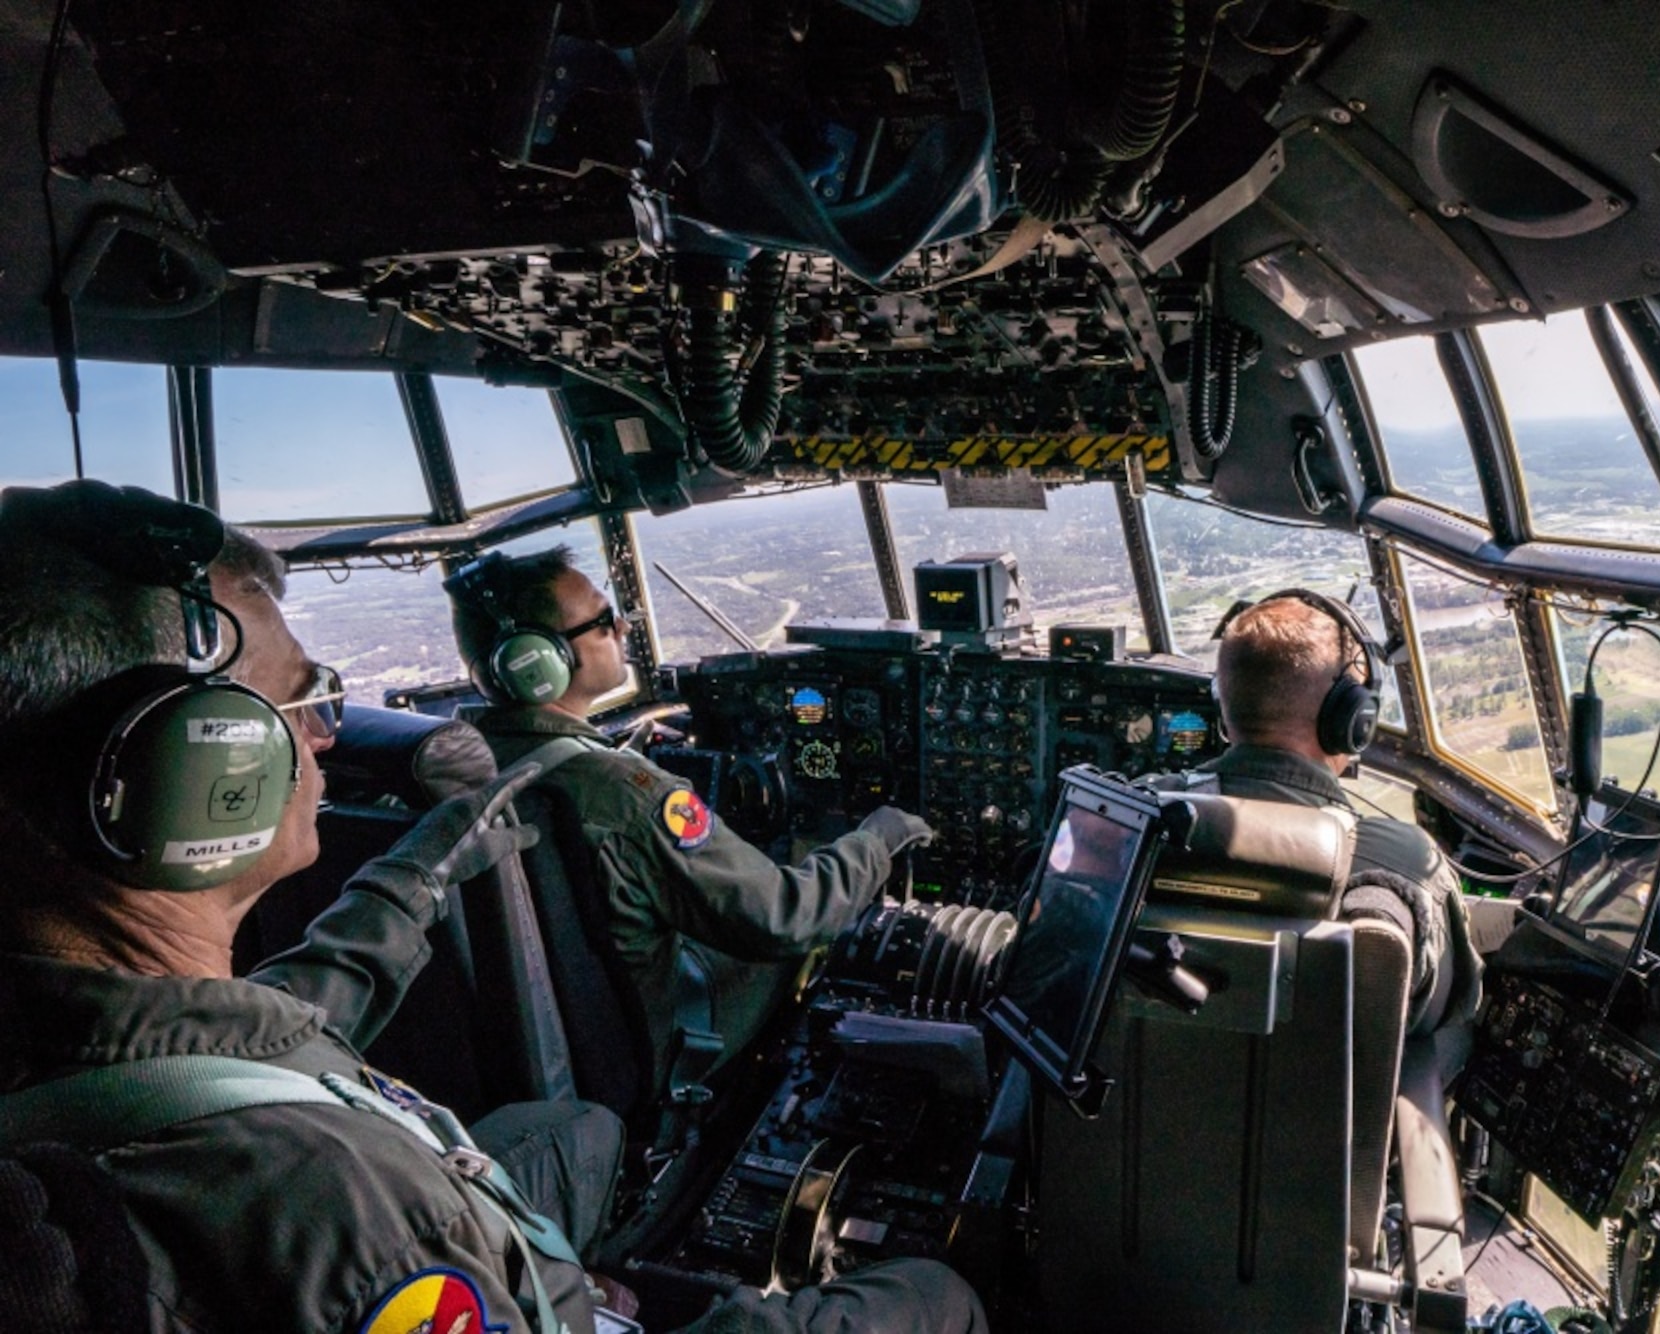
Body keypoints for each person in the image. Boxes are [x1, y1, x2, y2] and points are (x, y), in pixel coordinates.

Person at [0, 484, 986, 1334]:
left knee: (577, 1129)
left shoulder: (99, 1035)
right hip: (431, 1221)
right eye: (299, 708)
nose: (325, 746)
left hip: (443, 1184)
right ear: (191, 768)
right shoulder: (355, 1213)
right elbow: (780, 917)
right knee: (936, 1294)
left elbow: (293, 1007)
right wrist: (891, 827)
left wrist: (427, 858)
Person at [444, 547, 935, 1087]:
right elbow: (785, 918)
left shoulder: (448, 769)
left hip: (522, 1050)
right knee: (814, 937)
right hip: (645, 1047)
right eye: (604, 620)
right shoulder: (628, 794)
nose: (624, 626)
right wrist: (878, 838)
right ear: (539, 660)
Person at [1141, 590, 1480, 1035]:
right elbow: (1442, 1012)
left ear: (1223, 706)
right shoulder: (1402, 862)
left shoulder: (1126, 819)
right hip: (1323, 1101)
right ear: (1351, 719)